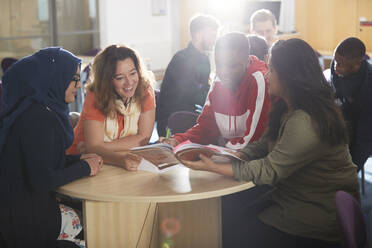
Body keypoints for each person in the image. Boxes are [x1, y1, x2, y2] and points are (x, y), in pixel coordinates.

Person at [180, 39, 359, 248]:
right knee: (227, 215)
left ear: (290, 77)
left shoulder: (305, 120)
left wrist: (218, 167)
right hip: (291, 196)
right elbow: (263, 144)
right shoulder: (287, 106)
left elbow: (270, 169)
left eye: (272, 69)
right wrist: (235, 155)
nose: (266, 74)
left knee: (231, 233)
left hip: (314, 214)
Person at [0, 47, 103, 247]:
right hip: (22, 221)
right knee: (94, 222)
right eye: (73, 79)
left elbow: (40, 161)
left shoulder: (35, 109)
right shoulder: (39, 119)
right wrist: (85, 168)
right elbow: (42, 180)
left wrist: (76, 160)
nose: (78, 86)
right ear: (54, 79)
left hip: (16, 210)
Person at [160, 32, 270, 150]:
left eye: (232, 66)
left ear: (247, 61)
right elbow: (206, 128)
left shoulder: (260, 80)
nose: (224, 72)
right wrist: (178, 140)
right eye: (219, 65)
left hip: (251, 159)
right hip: (225, 155)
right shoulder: (219, 81)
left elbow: (253, 142)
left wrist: (213, 152)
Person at [66, 44, 156, 170]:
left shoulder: (145, 89)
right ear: (107, 80)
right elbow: (93, 149)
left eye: (133, 73)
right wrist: (118, 158)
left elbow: (144, 139)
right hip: (81, 161)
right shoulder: (96, 95)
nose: (129, 82)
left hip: (119, 158)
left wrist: (96, 147)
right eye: (120, 78)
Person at [156, 14, 220, 137]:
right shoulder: (182, 59)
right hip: (172, 122)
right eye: (212, 35)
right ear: (198, 34)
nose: (215, 39)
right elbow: (192, 94)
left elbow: (203, 90)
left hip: (187, 115)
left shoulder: (203, 58)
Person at [330, 37, 372, 172]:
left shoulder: (368, 86)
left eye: (340, 64)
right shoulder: (337, 64)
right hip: (344, 117)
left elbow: (364, 137)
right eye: (335, 61)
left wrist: (349, 172)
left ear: (356, 65)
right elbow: (336, 92)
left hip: (364, 126)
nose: (335, 67)